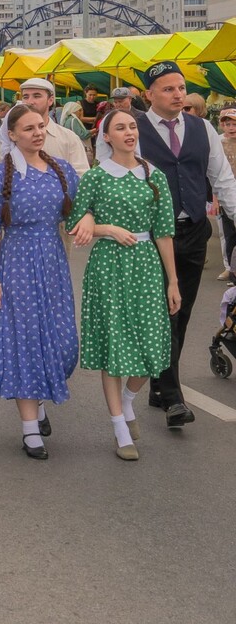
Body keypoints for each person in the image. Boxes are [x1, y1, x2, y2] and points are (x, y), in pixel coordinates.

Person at [118, 61, 236, 428]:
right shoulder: (128, 129)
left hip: (192, 232)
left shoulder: (203, 129)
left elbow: (223, 180)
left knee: (181, 312)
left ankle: (158, 385)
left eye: (181, 87)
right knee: (162, 312)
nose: (178, 94)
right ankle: (172, 397)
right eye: (168, 89)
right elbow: (113, 179)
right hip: (147, 237)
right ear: (149, 94)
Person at [69, 110, 181, 460]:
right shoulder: (97, 177)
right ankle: (119, 427)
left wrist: (173, 281)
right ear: (107, 137)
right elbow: (75, 221)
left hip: (146, 265)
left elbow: (164, 231)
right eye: (120, 127)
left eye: (132, 126)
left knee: (154, 349)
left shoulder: (154, 176)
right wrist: (107, 229)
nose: (129, 132)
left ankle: (129, 400)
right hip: (109, 267)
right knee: (114, 346)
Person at [0, 105, 80, 460]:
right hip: (16, 262)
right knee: (24, 342)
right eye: (28, 128)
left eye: (40, 126)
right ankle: (30, 429)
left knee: (65, 343)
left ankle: (39, 397)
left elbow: (83, 210)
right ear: (13, 135)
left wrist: (101, 224)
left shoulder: (61, 169)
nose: (37, 132)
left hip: (53, 261)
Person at [0, 79, 90, 176]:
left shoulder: (68, 138)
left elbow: (81, 176)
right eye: (25, 97)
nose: (30, 102)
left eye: (36, 96)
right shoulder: (10, 136)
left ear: (50, 100)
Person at [217, 106, 236, 281]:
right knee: (228, 234)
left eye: (234, 124)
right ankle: (230, 269)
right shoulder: (218, 143)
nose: (231, 128)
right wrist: (215, 198)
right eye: (228, 124)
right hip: (226, 197)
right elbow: (213, 173)